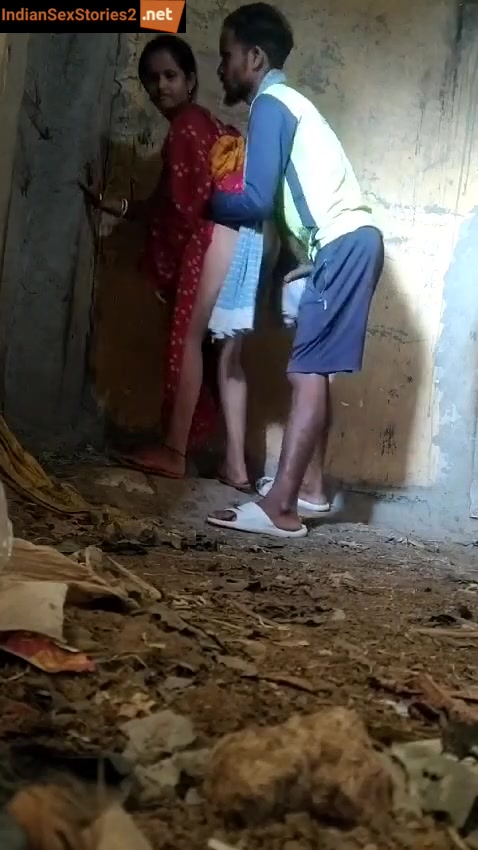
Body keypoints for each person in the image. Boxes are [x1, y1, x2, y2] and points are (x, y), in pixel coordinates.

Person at [207, 3, 384, 538]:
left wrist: (204, 201)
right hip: (342, 244)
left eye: (227, 56)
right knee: (312, 372)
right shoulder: (289, 103)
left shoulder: (271, 104)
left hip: (344, 243)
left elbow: (257, 199)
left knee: (305, 374)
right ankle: (310, 490)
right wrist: (304, 259)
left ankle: (280, 508)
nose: (222, 67)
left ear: (255, 58)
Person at [81, 35, 256, 491]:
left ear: (191, 81)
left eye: (170, 76)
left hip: (208, 242)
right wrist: (117, 206)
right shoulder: (205, 124)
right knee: (226, 356)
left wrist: (165, 268)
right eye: (152, 79)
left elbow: (180, 210)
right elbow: (163, 201)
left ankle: (175, 451)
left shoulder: (185, 127)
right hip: (243, 243)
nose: (161, 86)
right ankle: (235, 466)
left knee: (187, 342)